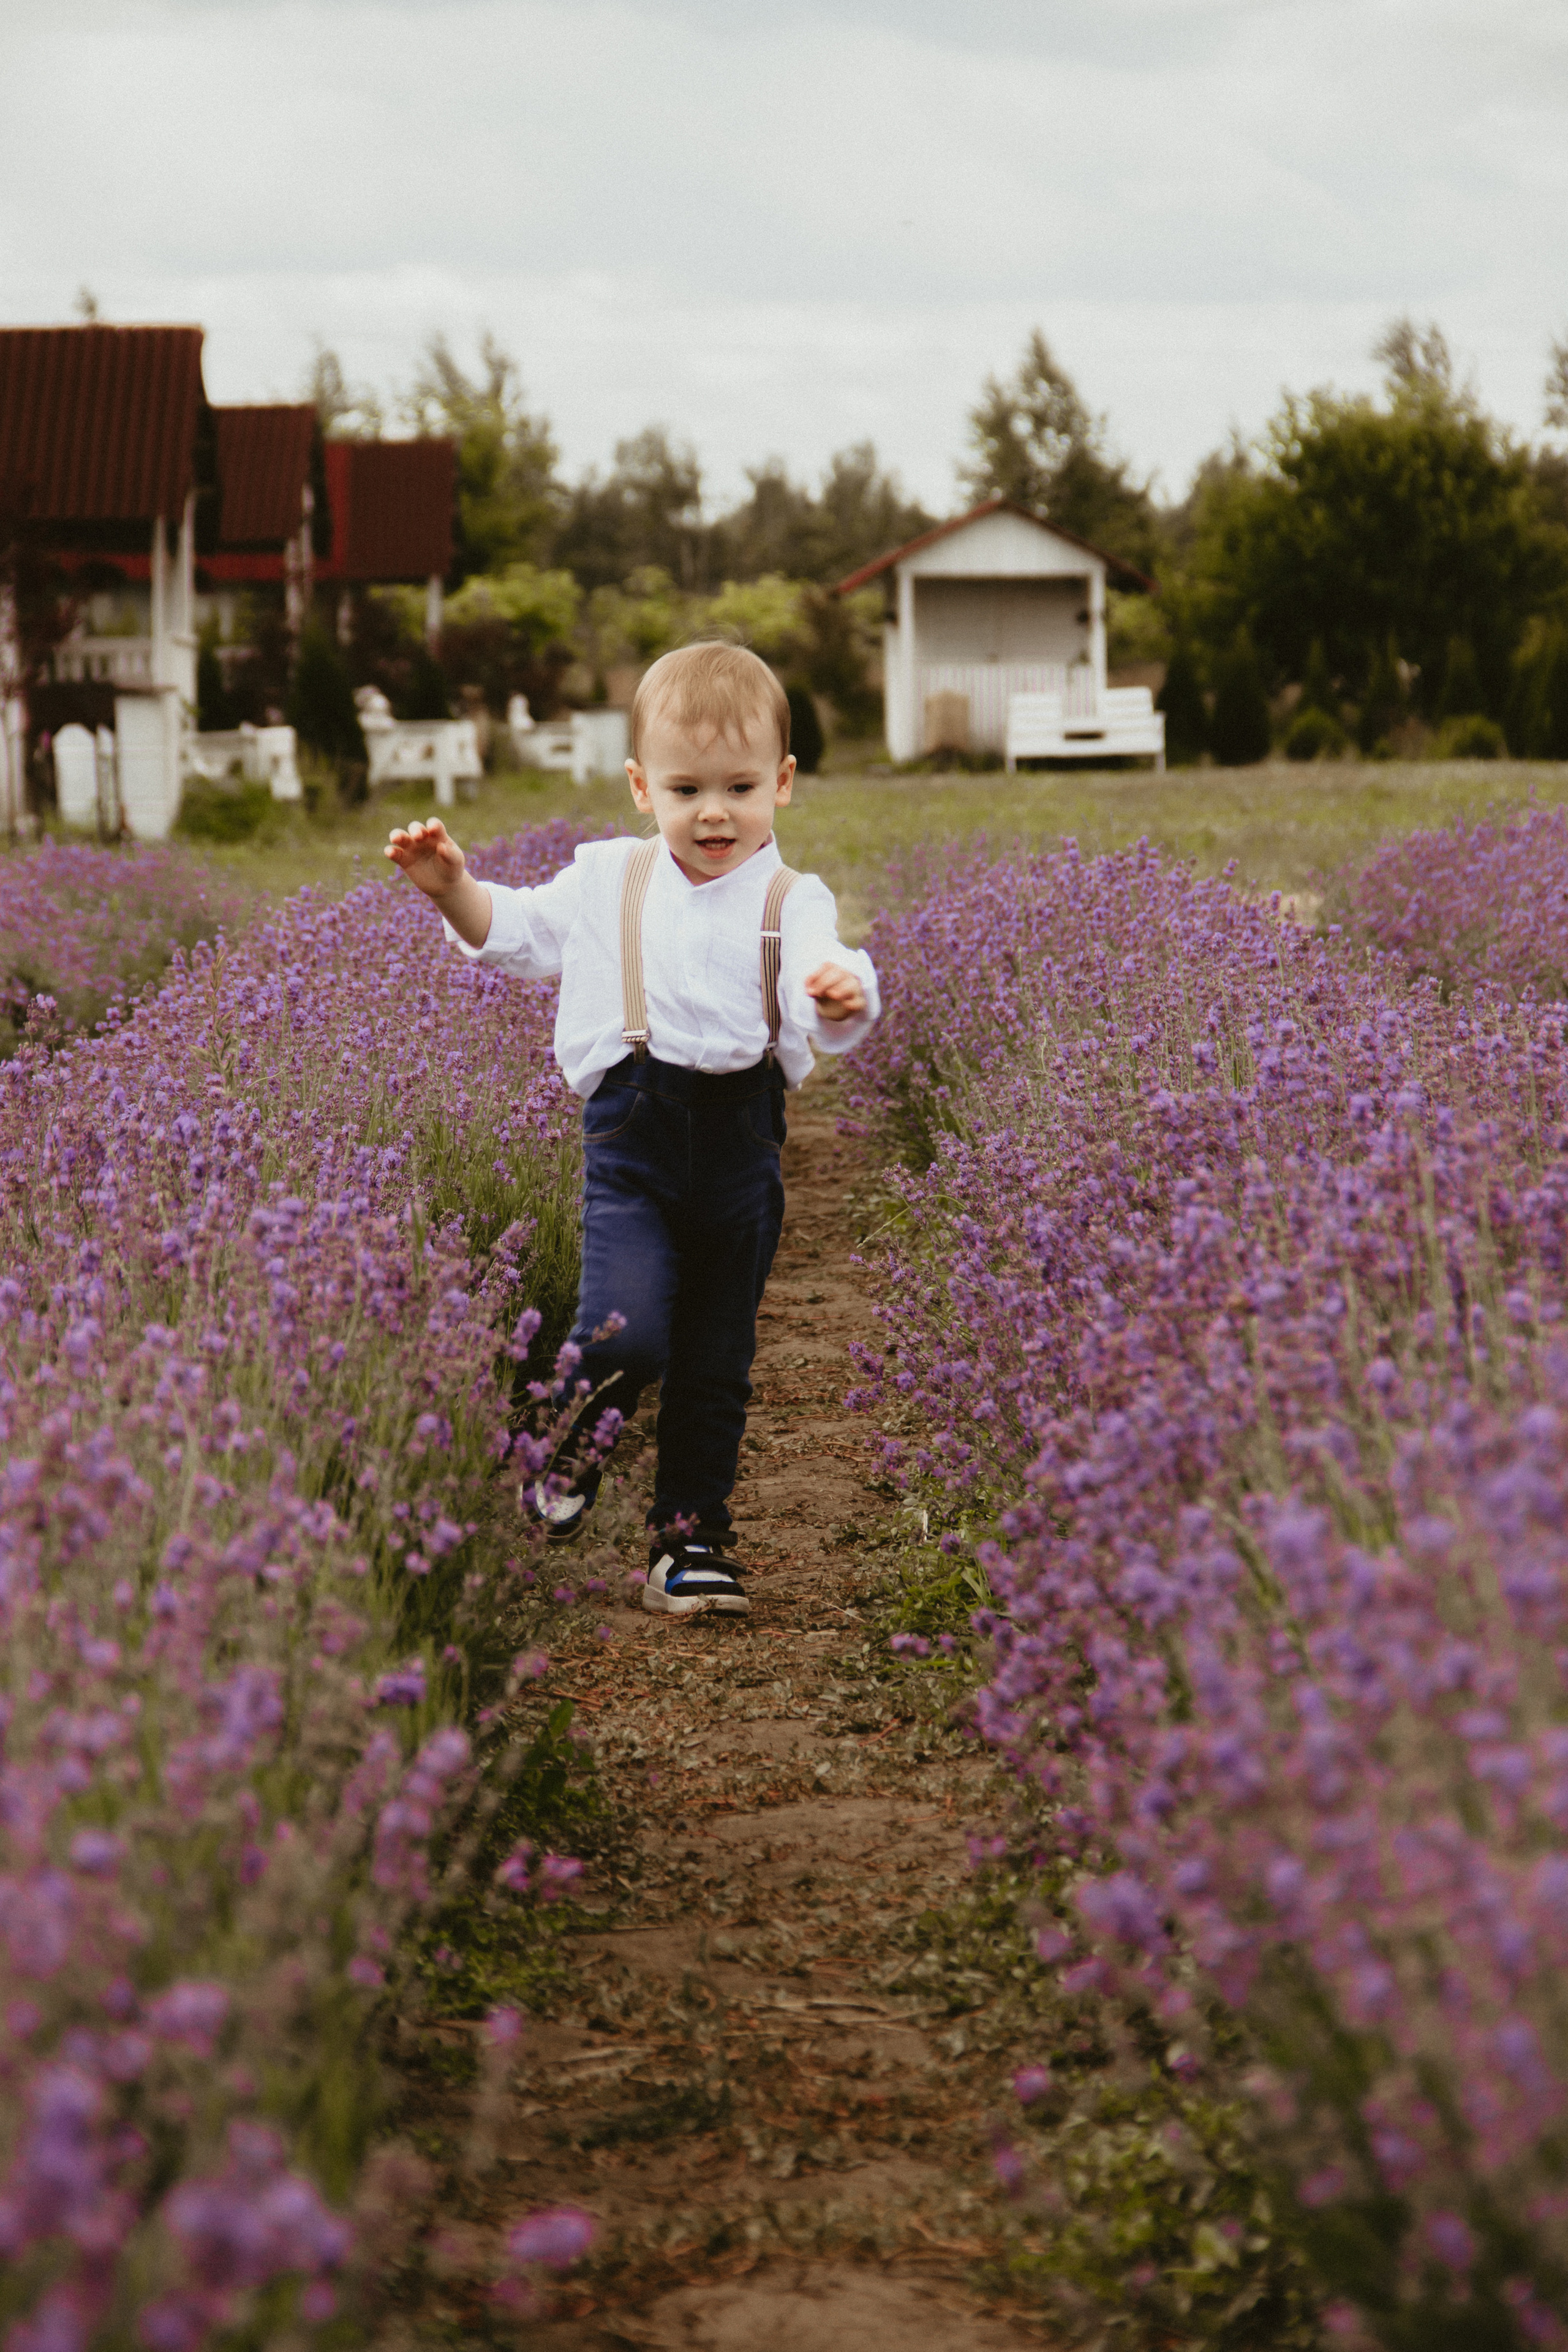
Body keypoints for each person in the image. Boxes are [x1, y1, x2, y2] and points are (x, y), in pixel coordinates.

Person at [385, 642, 879, 1618]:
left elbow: (827, 979)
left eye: (740, 786)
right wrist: (452, 887)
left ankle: (687, 1541)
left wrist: (838, 993)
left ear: (782, 782)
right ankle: (569, 1444)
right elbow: (517, 932)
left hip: (744, 1144)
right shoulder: (608, 877)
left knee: (716, 1357)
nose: (713, 812)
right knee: (627, 1327)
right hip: (633, 1137)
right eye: (686, 787)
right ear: (639, 786)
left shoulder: (794, 899)